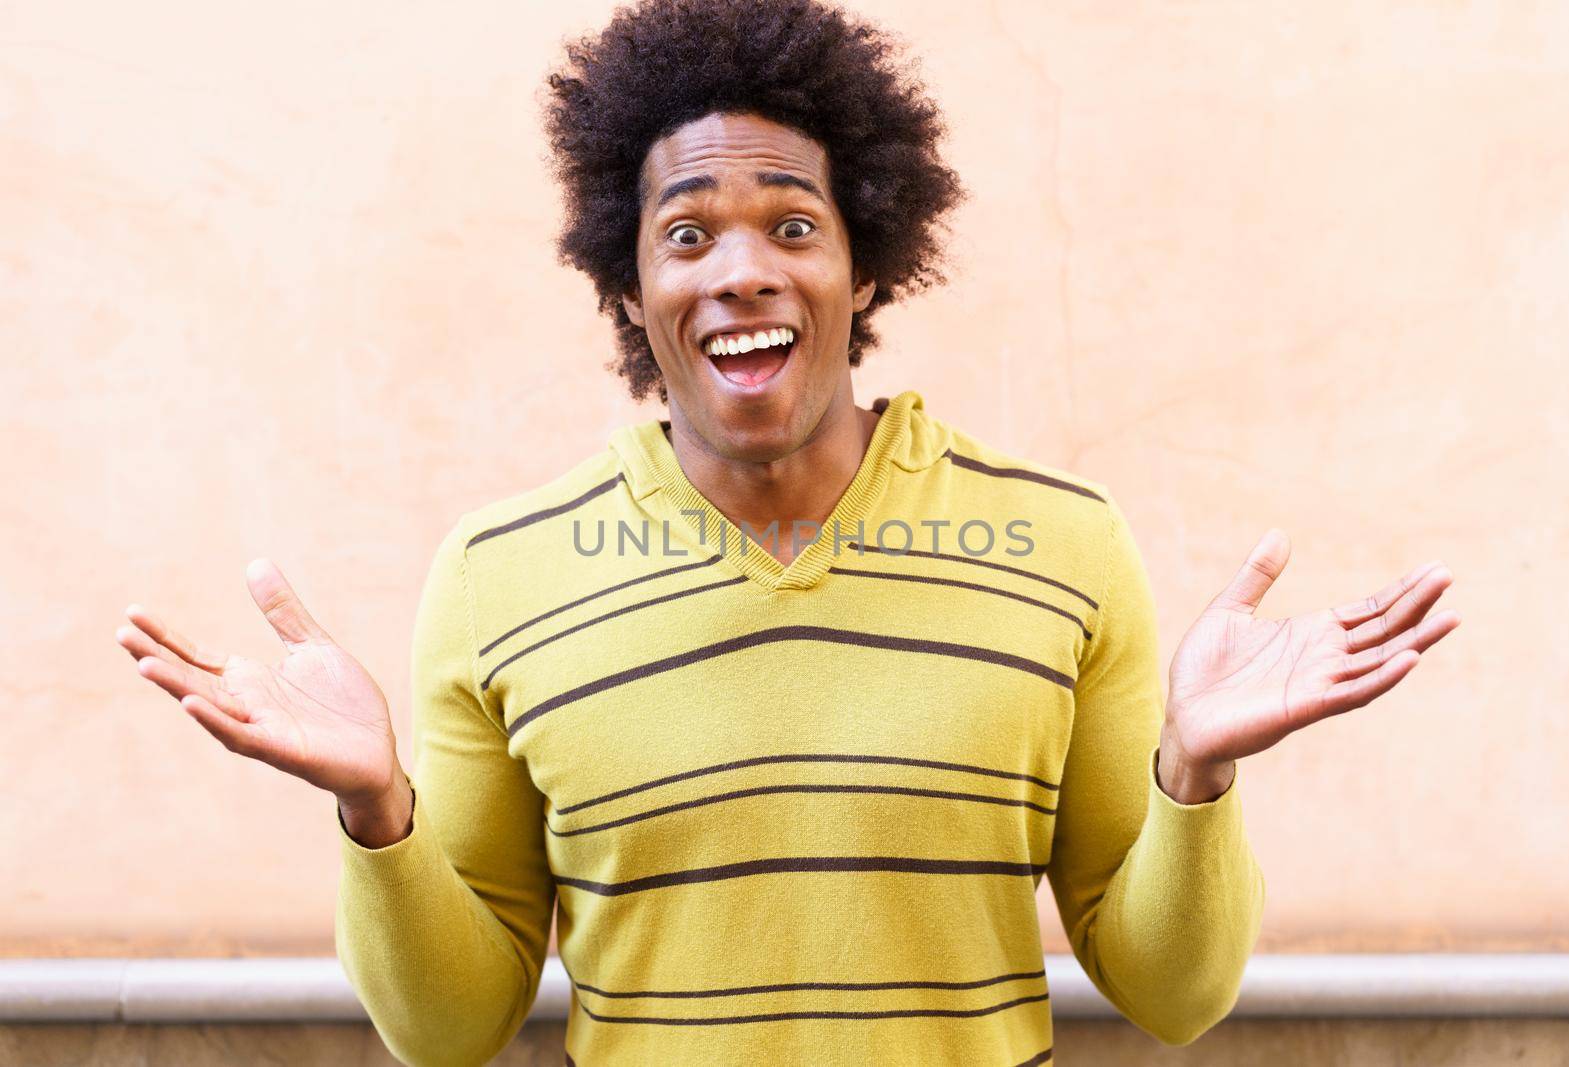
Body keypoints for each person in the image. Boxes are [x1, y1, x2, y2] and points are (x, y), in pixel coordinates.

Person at [115, 0, 1461, 1064]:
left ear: (865, 260)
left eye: (792, 224)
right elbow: (451, 1031)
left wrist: (1195, 779)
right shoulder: (497, 576)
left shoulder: (1061, 543)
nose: (742, 268)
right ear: (632, 291)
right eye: (687, 232)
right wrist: (377, 812)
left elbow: (1173, 999)